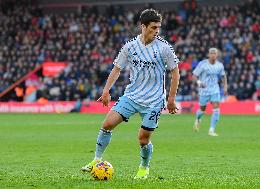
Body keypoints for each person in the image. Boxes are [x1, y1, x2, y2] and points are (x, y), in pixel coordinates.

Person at [81, 9, 180, 179]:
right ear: (143, 26)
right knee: (107, 125)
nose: (157, 31)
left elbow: (175, 72)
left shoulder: (164, 48)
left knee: (143, 139)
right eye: (153, 27)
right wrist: (106, 90)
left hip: (154, 101)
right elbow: (117, 69)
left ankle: (144, 167)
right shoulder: (130, 46)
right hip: (132, 96)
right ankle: (96, 160)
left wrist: (171, 99)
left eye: (158, 28)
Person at [192, 48, 227, 136]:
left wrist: (225, 87)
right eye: (211, 53)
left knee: (216, 109)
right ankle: (198, 119)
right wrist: (199, 83)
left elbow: (223, 76)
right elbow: (194, 76)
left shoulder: (220, 65)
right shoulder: (202, 64)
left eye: (214, 53)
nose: (213, 55)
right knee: (202, 109)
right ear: (209, 54)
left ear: (217, 55)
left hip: (215, 90)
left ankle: (211, 130)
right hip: (204, 91)